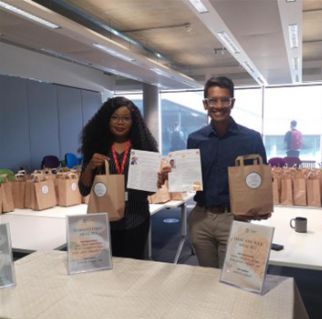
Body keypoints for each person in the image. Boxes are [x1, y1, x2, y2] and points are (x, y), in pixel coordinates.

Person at [162, 76, 268, 268]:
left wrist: (260, 207)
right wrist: (173, 174)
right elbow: (191, 180)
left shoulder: (251, 138)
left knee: (233, 279)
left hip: (234, 218)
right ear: (205, 104)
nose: (218, 106)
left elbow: (261, 180)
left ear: (232, 102)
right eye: (213, 100)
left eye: (224, 99)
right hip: (201, 219)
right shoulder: (195, 139)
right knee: (206, 278)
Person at [79, 96, 158, 259]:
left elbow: (149, 192)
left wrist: (158, 180)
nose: (120, 123)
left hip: (136, 218)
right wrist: (90, 167)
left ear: (133, 121)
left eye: (125, 118)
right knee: (105, 269)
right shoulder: (96, 147)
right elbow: (84, 189)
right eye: (114, 117)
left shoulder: (143, 148)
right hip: (104, 221)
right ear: (106, 120)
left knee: (133, 268)